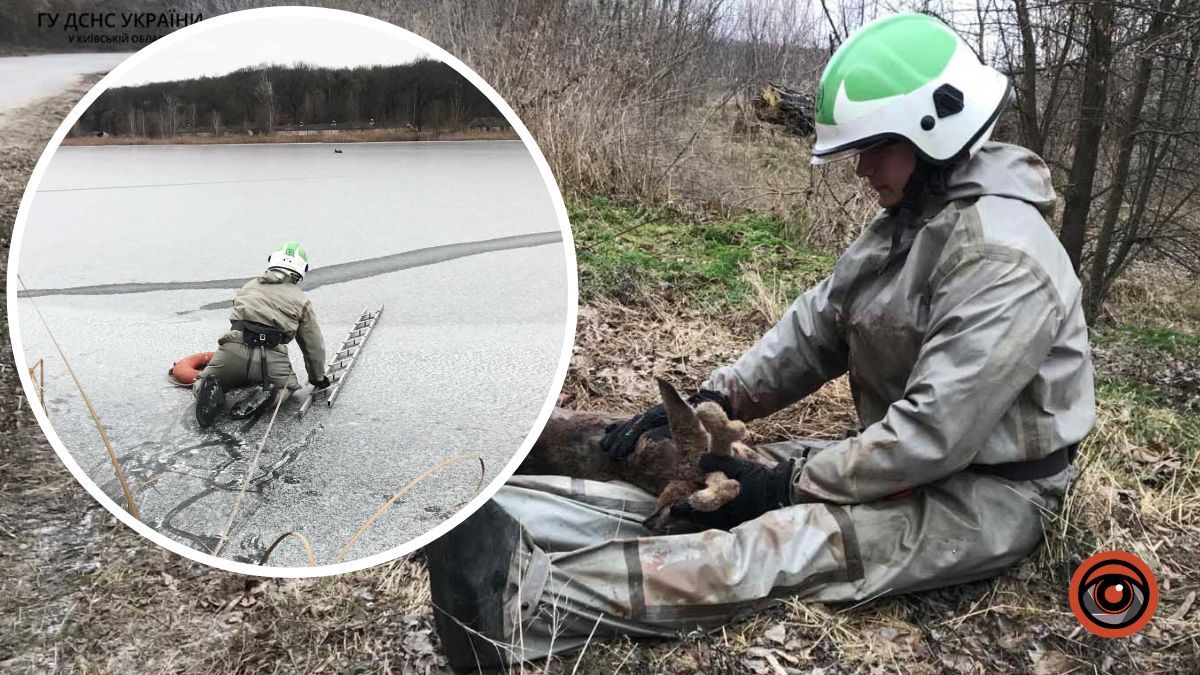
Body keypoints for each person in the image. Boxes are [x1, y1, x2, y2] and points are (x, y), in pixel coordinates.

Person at [427, 12, 1095, 669]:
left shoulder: (1005, 260)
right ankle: (501, 516)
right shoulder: (910, 223)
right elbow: (815, 328)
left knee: (779, 540)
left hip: (986, 496)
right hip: (911, 463)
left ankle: (523, 609)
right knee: (710, 477)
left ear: (933, 130)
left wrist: (785, 487)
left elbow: (931, 437)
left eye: (873, 148)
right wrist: (716, 396)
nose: (862, 170)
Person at [194, 241, 330, 427]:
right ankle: (270, 394)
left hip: (233, 348)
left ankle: (209, 387)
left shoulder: (248, 287)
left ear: (271, 262)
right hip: (272, 355)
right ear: (301, 271)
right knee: (287, 387)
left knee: (204, 379)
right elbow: (312, 345)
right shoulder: (301, 300)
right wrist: (318, 378)